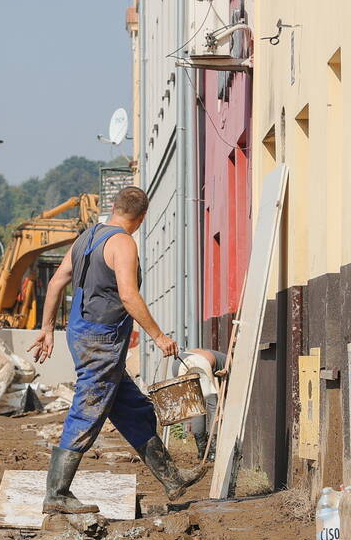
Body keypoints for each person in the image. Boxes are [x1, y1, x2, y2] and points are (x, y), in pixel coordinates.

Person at [29, 186, 206, 514]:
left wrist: (47, 329)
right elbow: (128, 295)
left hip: (81, 332)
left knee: (131, 407)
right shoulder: (123, 243)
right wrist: (158, 336)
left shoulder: (86, 237)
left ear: (114, 207)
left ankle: (171, 478)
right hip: (102, 340)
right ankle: (56, 493)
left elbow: (55, 283)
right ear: (141, 218)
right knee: (88, 410)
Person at [174, 348, 226, 459]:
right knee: (214, 406)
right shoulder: (228, 362)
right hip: (202, 364)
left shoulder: (217, 355)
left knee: (196, 405)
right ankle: (213, 451)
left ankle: (201, 451)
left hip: (179, 362)